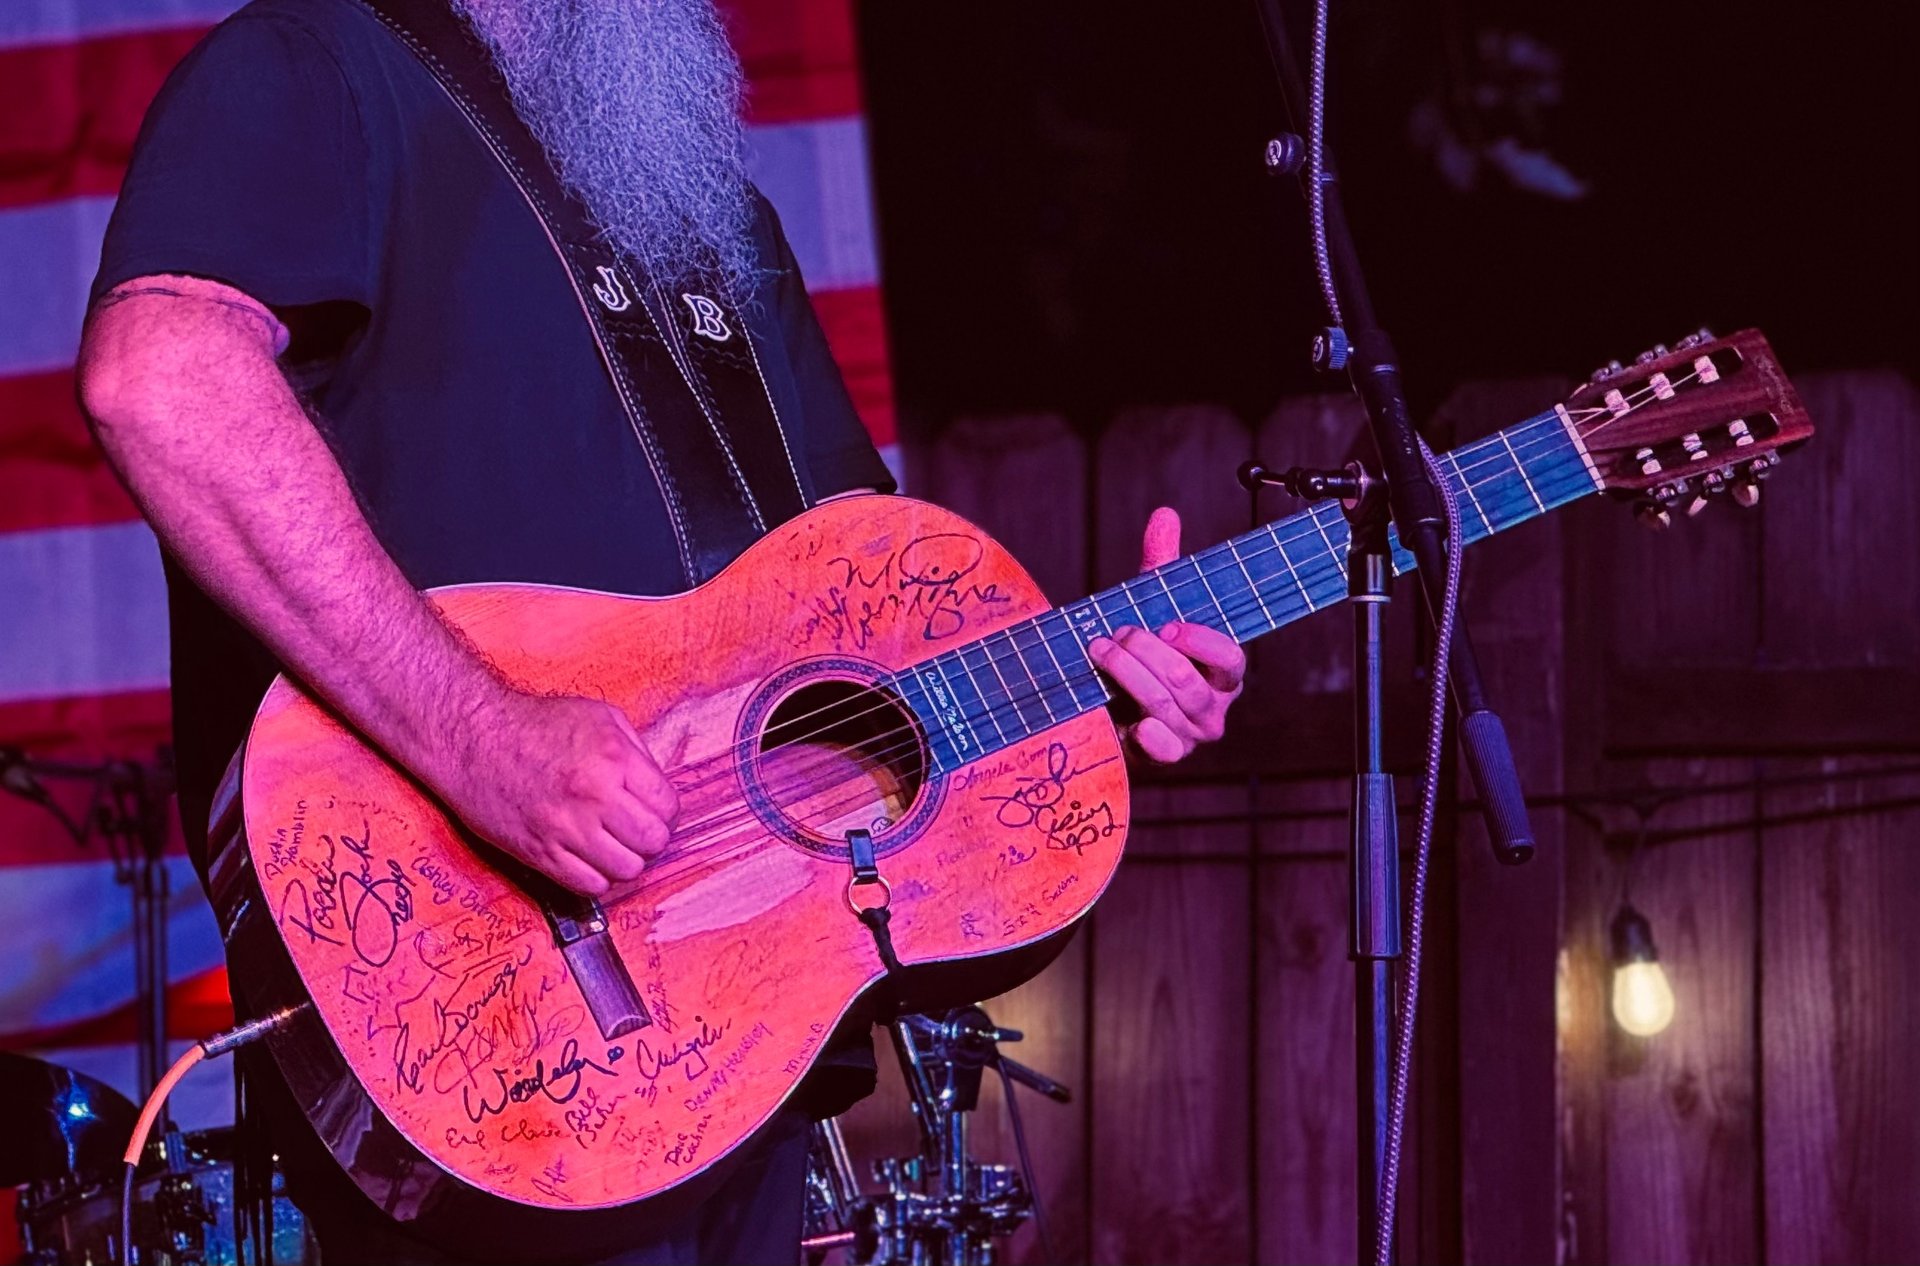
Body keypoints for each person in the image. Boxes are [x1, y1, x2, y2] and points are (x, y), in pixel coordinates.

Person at [76, 0, 1247, 1260]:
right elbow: (162, 378)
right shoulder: (314, 63)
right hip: (494, 1022)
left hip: (735, 1046)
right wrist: (484, 740)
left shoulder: (700, 204)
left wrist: (1093, 680)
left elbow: (852, 613)